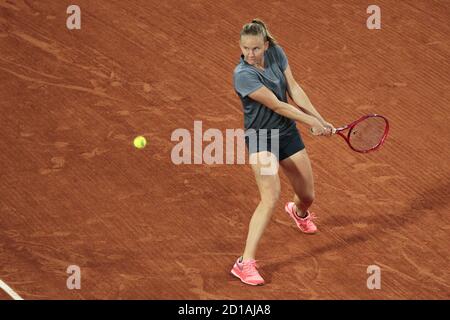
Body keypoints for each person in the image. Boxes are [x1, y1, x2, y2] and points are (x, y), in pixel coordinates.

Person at [230, 18, 335, 286]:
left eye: (255, 48)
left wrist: (319, 118)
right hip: (261, 140)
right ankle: (244, 264)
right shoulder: (243, 74)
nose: (249, 54)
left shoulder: (277, 52)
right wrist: (311, 123)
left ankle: (298, 212)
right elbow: (277, 105)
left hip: (286, 134)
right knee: (270, 195)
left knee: (308, 196)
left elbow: (294, 89)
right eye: (245, 48)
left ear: (265, 45)